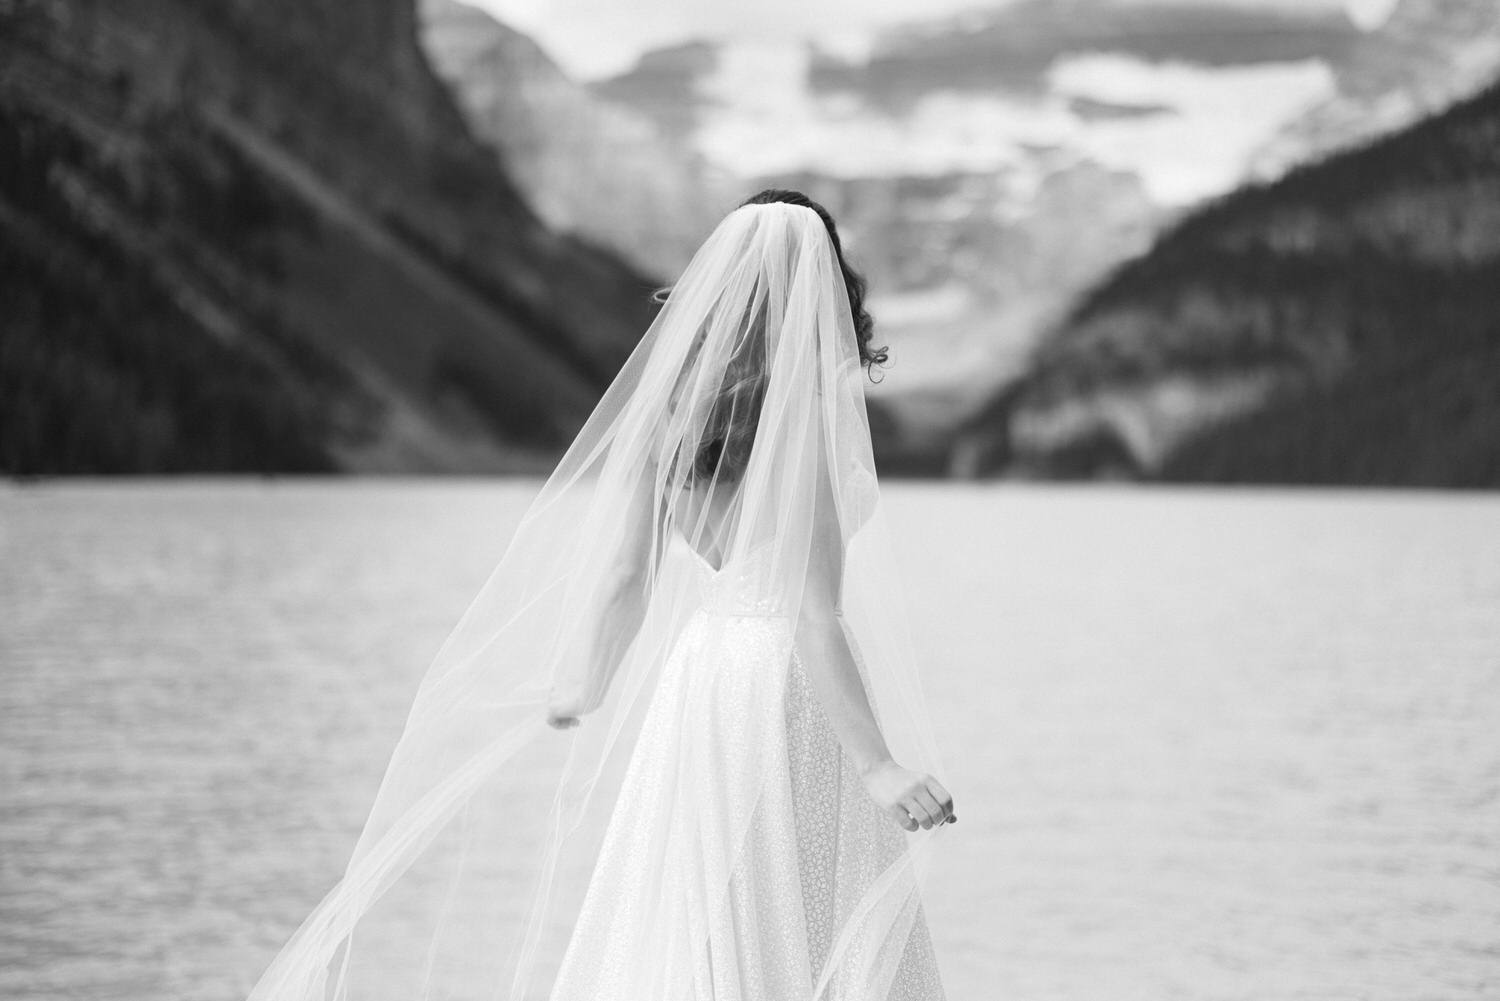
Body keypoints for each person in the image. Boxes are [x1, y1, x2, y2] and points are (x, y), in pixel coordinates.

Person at [244, 189, 957, 1001]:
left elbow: (627, 576)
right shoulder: (810, 414)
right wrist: (878, 765)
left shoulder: (678, 414)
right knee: (804, 913)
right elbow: (810, 607)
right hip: (790, 685)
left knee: (707, 911)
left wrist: (582, 684)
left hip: (703, 683)